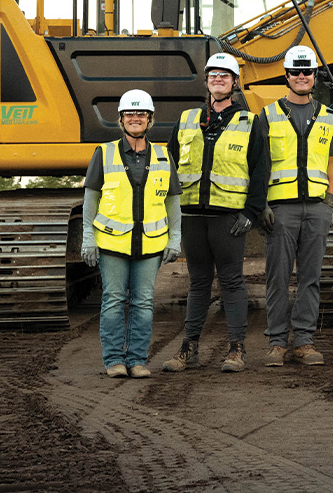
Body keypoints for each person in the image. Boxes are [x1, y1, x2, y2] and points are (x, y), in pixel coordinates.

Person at [162, 52, 259, 374]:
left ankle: (236, 348)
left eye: (225, 76)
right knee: (199, 283)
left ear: (234, 83)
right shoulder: (187, 119)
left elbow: (260, 170)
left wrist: (252, 211)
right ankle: (189, 348)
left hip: (228, 217)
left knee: (231, 282)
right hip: (192, 216)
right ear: (206, 82)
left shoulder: (249, 122)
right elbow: (170, 167)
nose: (218, 80)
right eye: (213, 75)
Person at [81, 89, 181, 378]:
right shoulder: (104, 153)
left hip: (150, 244)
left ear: (150, 120)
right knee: (113, 300)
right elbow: (91, 198)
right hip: (112, 242)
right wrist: (88, 236)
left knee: (144, 302)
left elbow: (172, 201)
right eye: (130, 114)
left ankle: (137, 360)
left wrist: (175, 237)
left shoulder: (163, 155)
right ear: (121, 119)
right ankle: (114, 360)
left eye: (141, 114)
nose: (135, 118)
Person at [255, 45, 333, 366]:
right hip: (280, 210)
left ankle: (304, 341)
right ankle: (278, 342)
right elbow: (257, 164)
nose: (302, 76)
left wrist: (331, 200)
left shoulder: (328, 116)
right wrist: (260, 204)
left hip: (317, 209)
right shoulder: (267, 116)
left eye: (307, 71)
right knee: (277, 277)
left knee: (311, 277)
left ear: (315, 75)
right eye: (296, 71)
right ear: (287, 76)